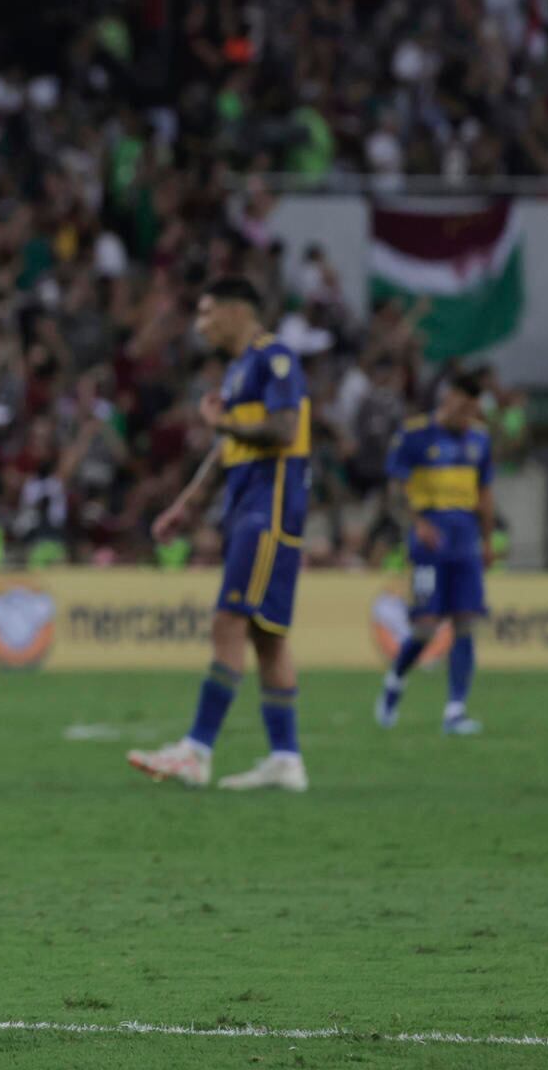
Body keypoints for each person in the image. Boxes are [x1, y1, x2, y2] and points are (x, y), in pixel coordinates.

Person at [130, 278, 311, 792]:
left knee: (229, 621)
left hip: (267, 511)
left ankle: (197, 750)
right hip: (250, 509)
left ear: (237, 311)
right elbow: (224, 451)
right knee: (268, 637)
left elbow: (284, 430)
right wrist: (185, 506)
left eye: (208, 313)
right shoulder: (237, 372)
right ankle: (286, 758)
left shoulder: (275, 359)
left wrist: (225, 424)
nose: (201, 323)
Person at [376, 373, 495, 735]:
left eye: (474, 410)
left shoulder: (479, 439)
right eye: (464, 408)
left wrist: (487, 540)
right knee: (426, 627)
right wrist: (417, 523)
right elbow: (395, 491)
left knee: (465, 621)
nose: (469, 417)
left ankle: (455, 710)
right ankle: (395, 679)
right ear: (450, 398)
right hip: (429, 544)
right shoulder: (414, 435)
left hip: (466, 542)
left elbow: (485, 493)